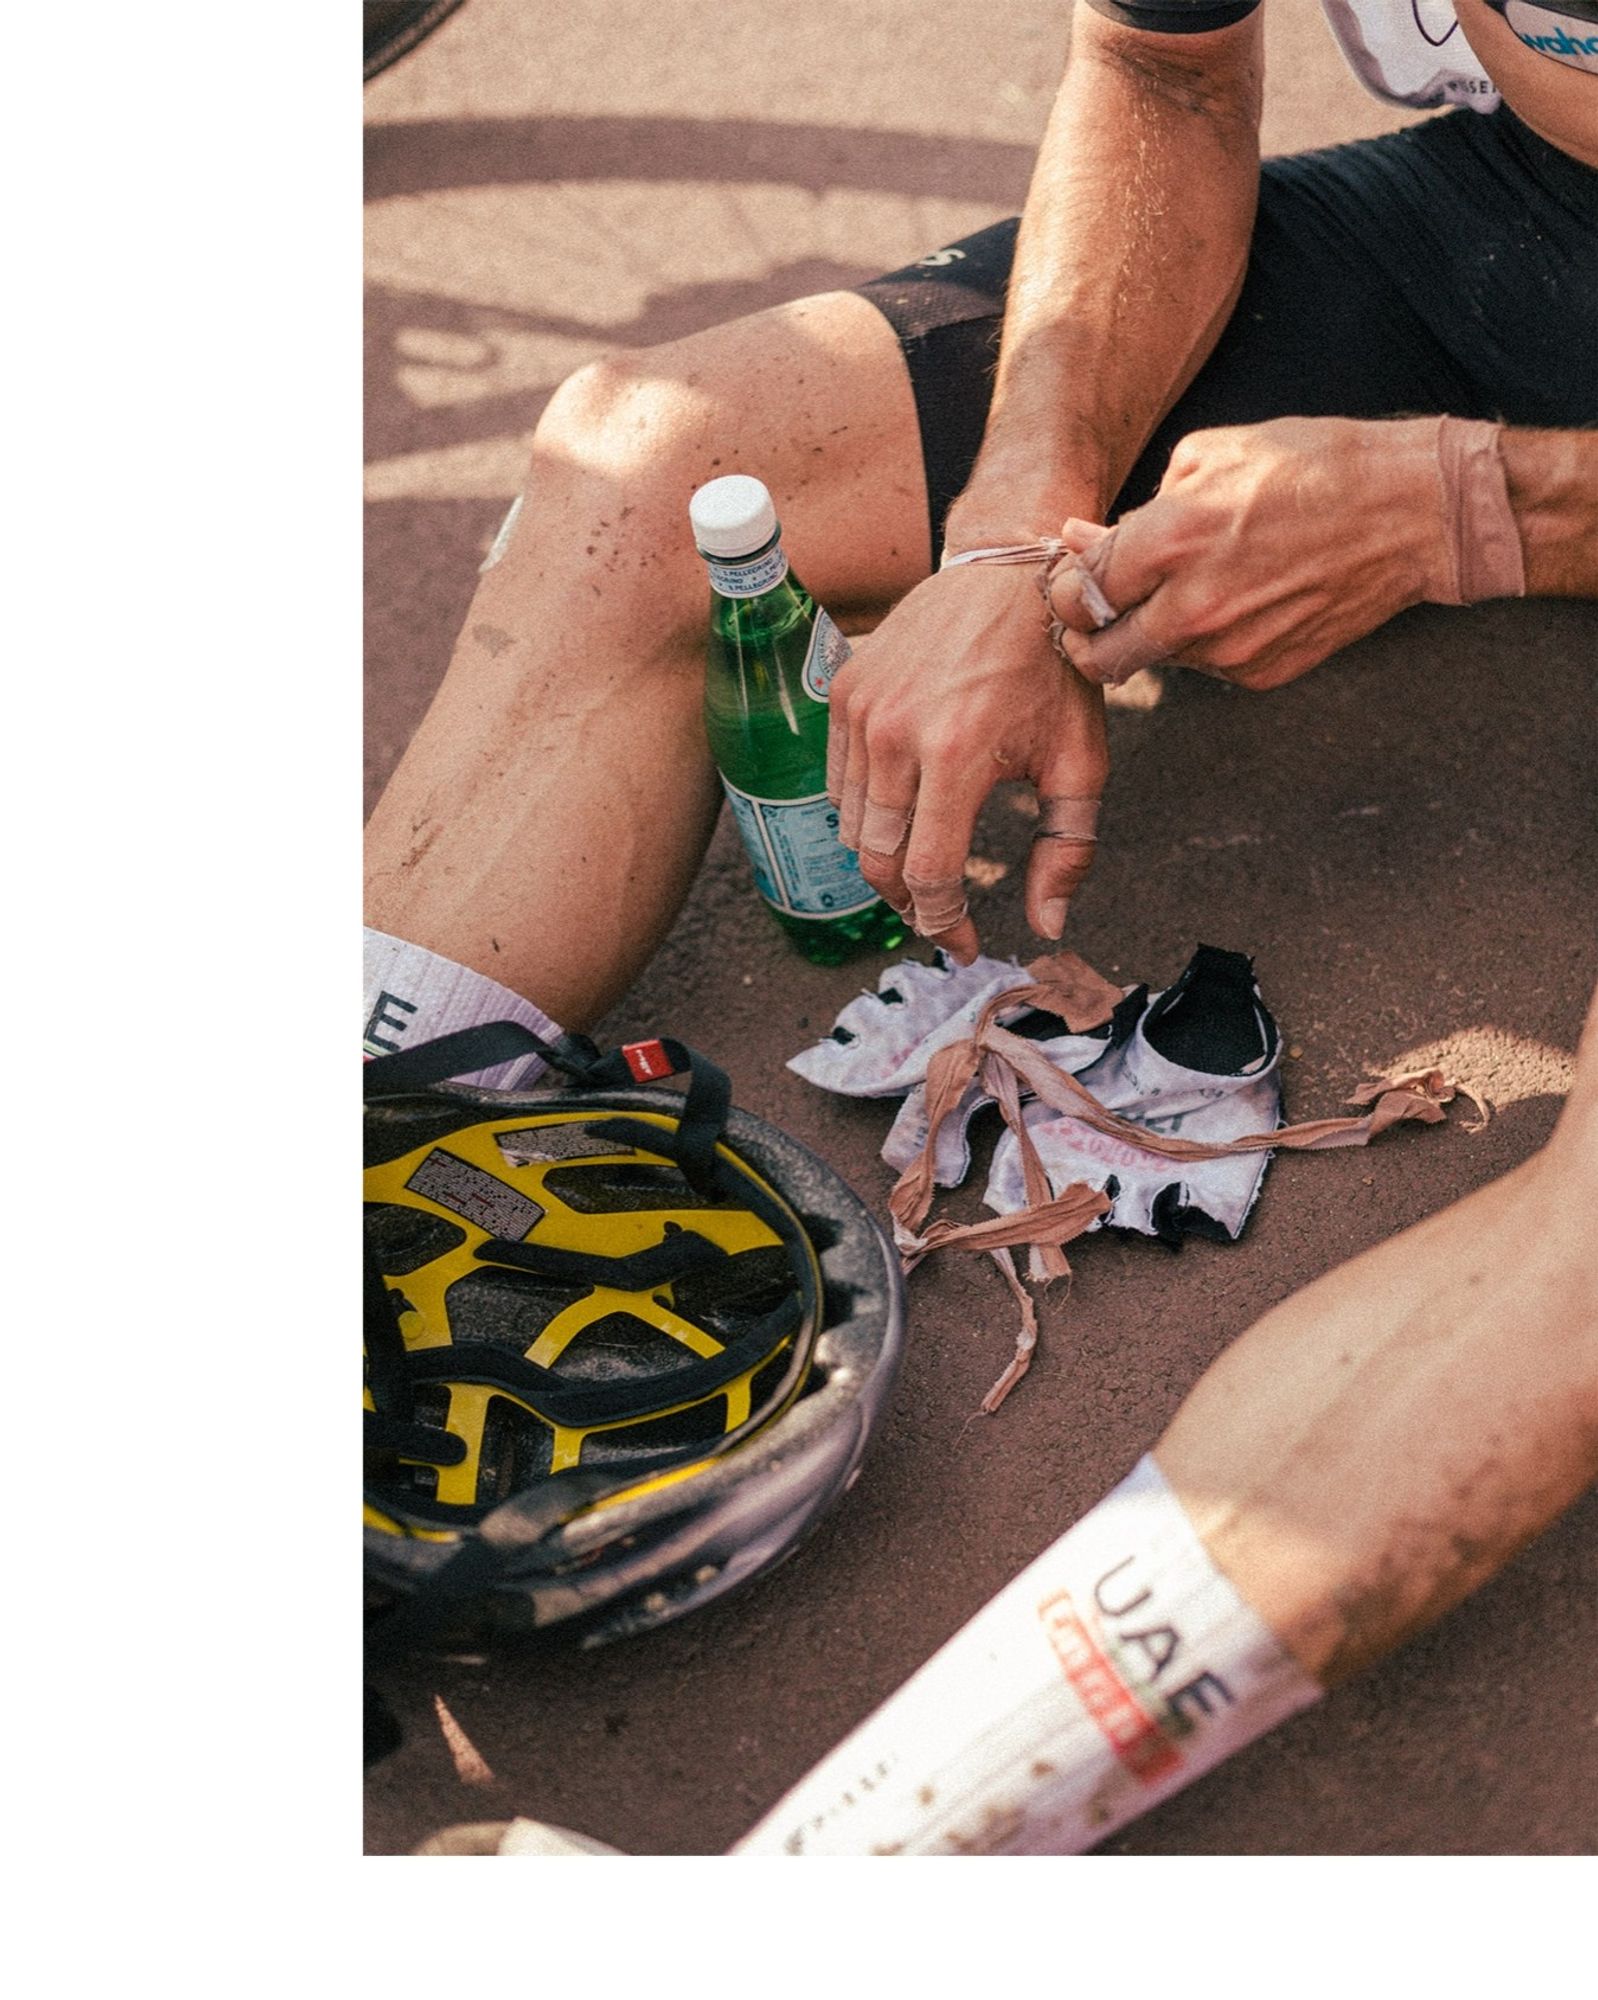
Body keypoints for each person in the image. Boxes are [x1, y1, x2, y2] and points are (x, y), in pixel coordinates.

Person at [366, 0, 1597, 1850]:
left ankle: (835, 1887)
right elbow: (1160, 70)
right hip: (1528, 219)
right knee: (653, 464)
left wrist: (1484, 508)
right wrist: (1011, 529)